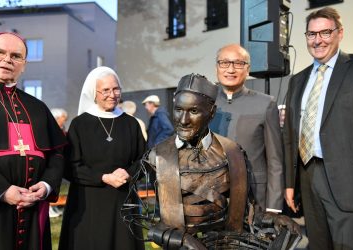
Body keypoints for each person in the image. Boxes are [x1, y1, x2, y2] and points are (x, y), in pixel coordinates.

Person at [122, 73, 301, 249]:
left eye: (193, 111)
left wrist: (271, 218)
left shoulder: (233, 152)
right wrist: (181, 240)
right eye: (178, 110)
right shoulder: (156, 156)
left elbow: (246, 210)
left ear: (212, 112)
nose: (183, 120)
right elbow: (133, 215)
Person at [283, 7, 353, 249]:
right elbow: (289, 137)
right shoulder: (297, 80)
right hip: (308, 178)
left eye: (325, 32)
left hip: (352, 182)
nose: (318, 40)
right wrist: (289, 182)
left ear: (340, 33)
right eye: (311, 34)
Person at [0, 32, 67, 250]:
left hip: (32, 210)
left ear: (24, 65)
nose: (7, 60)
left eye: (16, 56)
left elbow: (57, 153)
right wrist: (1, 190)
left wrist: (47, 185)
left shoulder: (37, 107)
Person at [58, 66, 145, 250]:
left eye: (116, 89)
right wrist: (103, 177)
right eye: (105, 90)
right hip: (88, 202)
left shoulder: (131, 123)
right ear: (94, 93)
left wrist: (128, 174)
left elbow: (144, 160)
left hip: (123, 200)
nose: (112, 94)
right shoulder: (80, 124)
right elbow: (70, 167)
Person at [209, 44, 284, 214]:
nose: (231, 69)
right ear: (216, 68)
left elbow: (275, 160)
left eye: (238, 63)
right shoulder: (205, 103)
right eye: (224, 63)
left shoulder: (265, 104)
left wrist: (273, 206)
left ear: (247, 69)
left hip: (255, 197)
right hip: (211, 197)